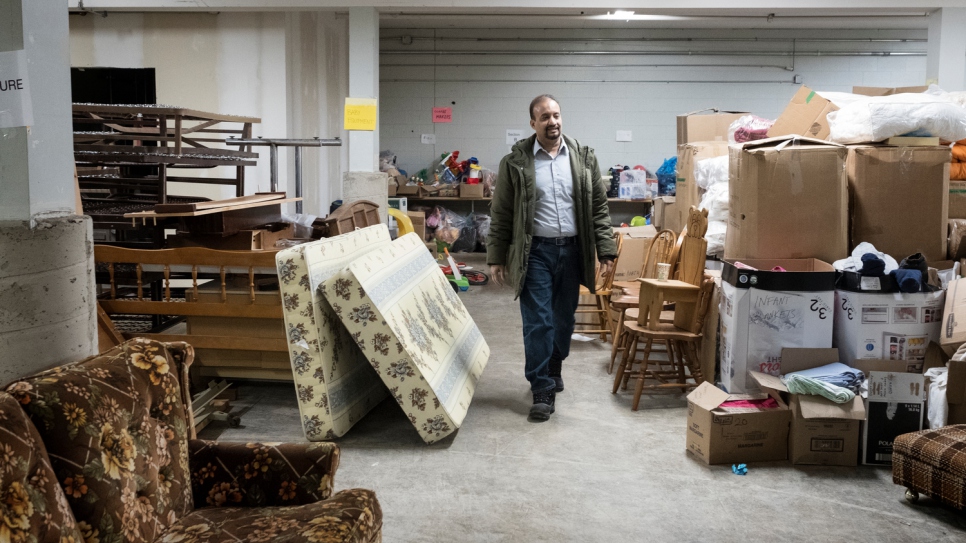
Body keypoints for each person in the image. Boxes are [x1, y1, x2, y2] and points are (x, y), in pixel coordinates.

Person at [486, 94, 617, 422]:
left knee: (563, 320)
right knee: (539, 321)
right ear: (533, 123)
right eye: (544, 117)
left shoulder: (583, 158)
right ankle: (541, 387)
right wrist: (496, 257)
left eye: (556, 115)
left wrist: (606, 250)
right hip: (536, 253)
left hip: (574, 251)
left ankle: (554, 364)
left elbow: (599, 208)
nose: (552, 121)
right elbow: (501, 212)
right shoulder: (515, 162)